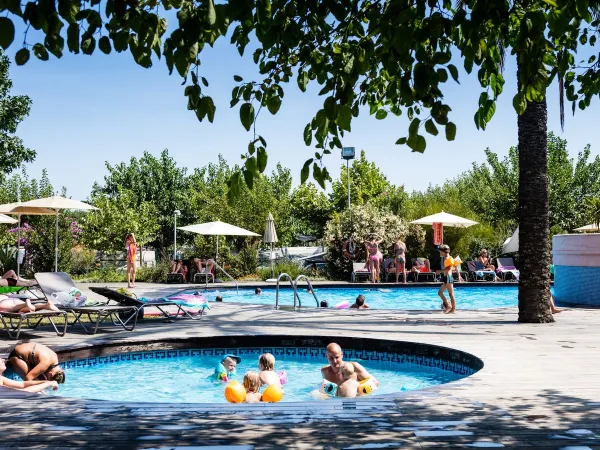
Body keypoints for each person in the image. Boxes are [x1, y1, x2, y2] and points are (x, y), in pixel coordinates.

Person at [437, 245, 456, 314]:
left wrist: (440, 271)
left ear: (443, 252)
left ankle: (453, 309)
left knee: (451, 294)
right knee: (440, 293)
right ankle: (448, 305)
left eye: (440, 251)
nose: (440, 253)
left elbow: (449, 268)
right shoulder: (446, 258)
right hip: (446, 278)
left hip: (448, 277)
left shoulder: (448, 258)